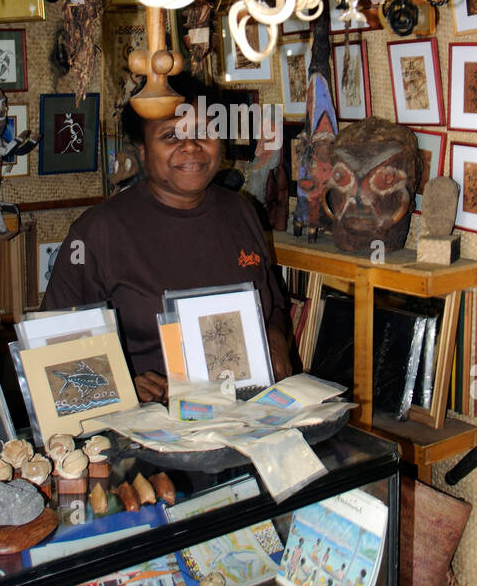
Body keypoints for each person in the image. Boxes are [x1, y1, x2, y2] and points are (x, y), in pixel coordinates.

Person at [42, 75, 291, 403]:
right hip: (149, 422)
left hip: (247, 409)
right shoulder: (96, 233)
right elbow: (52, 351)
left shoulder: (240, 210)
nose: (191, 146)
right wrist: (119, 385)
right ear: (143, 150)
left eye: (204, 131)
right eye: (171, 135)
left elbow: (273, 305)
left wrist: (275, 337)